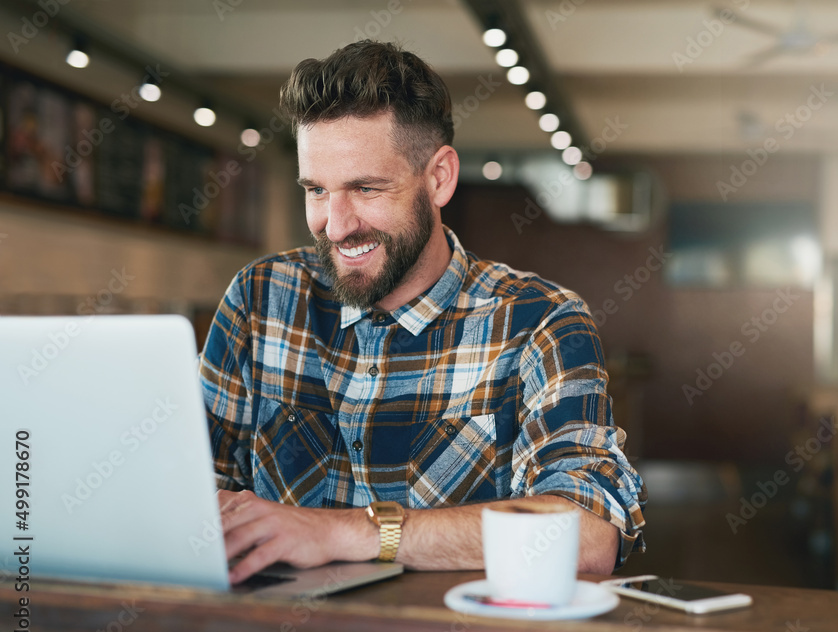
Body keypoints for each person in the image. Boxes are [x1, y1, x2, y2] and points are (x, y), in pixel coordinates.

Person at [199, 40, 646, 584]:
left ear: (439, 178)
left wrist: (346, 532)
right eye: (317, 190)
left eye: (366, 188)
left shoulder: (540, 321)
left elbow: (587, 534)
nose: (335, 226)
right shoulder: (260, 298)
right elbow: (190, 496)